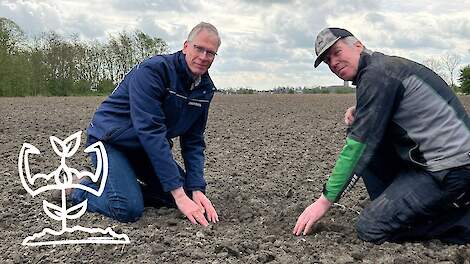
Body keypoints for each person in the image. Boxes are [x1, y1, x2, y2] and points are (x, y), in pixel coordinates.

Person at [293, 27, 470, 244]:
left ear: (358, 45)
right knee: (364, 136)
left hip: (449, 168)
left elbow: (358, 146)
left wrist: (324, 201)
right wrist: (361, 111)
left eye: (337, 52)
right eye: (328, 61)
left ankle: (461, 222)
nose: (333, 63)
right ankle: (402, 209)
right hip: (440, 164)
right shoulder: (380, 69)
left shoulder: (377, 73)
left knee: (371, 228)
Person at [71, 22, 221, 226]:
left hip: (143, 149)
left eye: (210, 53)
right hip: (109, 142)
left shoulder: (204, 89)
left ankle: (118, 186)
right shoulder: (154, 71)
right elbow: (151, 131)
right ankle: (79, 188)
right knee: (127, 209)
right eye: (199, 48)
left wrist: (196, 189)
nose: (203, 57)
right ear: (186, 46)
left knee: (185, 194)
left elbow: (193, 141)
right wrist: (179, 195)